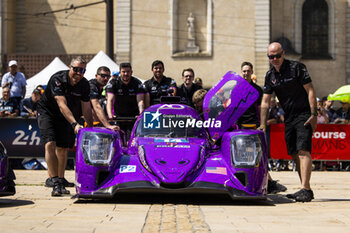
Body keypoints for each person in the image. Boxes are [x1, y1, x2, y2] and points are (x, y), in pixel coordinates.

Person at [258, 42, 317, 202]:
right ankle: (304, 187)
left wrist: (314, 113)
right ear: (268, 58)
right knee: (293, 152)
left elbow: (310, 89)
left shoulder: (297, 68)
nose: (275, 59)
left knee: (303, 150)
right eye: (272, 56)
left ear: (283, 54)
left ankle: (306, 189)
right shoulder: (270, 76)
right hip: (289, 117)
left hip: (304, 114)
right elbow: (265, 101)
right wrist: (263, 124)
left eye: (278, 55)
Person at [37, 56, 93, 197]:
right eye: (76, 69)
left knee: (62, 148)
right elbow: (61, 104)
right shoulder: (58, 79)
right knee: (50, 143)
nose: (79, 73)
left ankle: (61, 180)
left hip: (65, 115)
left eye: (82, 70)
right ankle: (54, 181)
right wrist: (74, 123)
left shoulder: (85, 84)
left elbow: (86, 109)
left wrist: (91, 128)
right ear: (70, 68)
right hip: (48, 112)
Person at [238, 61, 287, 194]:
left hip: (254, 128)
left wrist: (262, 125)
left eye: (248, 71)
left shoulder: (258, 90)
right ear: (241, 72)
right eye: (244, 71)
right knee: (244, 157)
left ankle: (268, 183)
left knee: (259, 155)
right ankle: (266, 183)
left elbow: (262, 109)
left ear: (252, 72)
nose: (246, 73)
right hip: (238, 129)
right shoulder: (236, 89)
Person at [106, 62, 145, 137]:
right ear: (120, 72)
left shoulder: (137, 83)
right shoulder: (113, 82)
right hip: (118, 117)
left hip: (133, 116)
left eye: (128, 72)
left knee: (132, 139)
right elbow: (109, 100)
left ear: (131, 72)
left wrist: (141, 114)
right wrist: (110, 115)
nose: (126, 74)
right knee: (118, 139)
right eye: (124, 72)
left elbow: (140, 101)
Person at [89, 66, 119, 131]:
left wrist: (100, 123)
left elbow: (92, 108)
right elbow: (96, 107)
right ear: (96, 76)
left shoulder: (100, 87)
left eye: (108, 76)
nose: (106, 78)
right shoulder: (92, 86)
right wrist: (107, 125)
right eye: (103, 76)